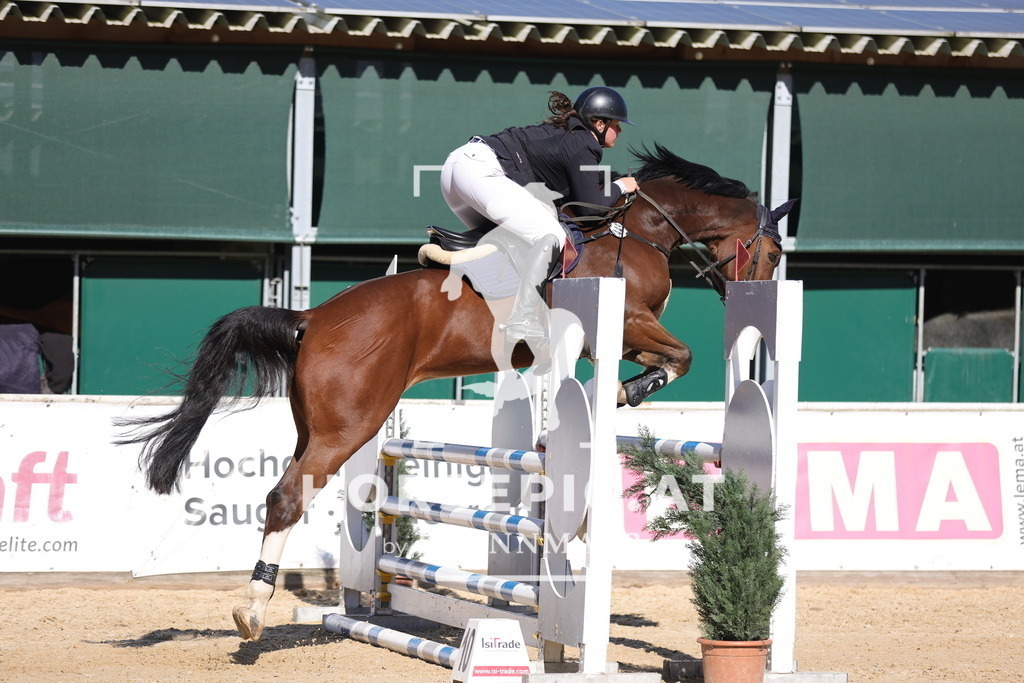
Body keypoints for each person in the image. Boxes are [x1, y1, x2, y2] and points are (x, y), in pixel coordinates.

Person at [440, 86, 639, 342]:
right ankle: (521, 319)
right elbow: (590, 208)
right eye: (617, 124)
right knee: (552, 235)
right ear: (599, 124)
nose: (620, 130)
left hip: (455, 169)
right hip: (481, 171)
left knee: (512, 241)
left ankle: (491, 309)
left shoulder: (570, 136)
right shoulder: (584, 142)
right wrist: (622, 185)